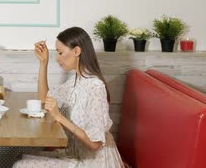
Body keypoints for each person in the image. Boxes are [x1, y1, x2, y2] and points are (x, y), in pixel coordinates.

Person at [13, 27, 125, 168]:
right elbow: (43, 98)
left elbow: (95, 144)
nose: (57, 58)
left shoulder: (95, 87)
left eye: (60, 53)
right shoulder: (76, 81)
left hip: (93, 161)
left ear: (77, 51)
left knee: (22, 165)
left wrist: (59, 117)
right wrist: (43, 63)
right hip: (75, 154)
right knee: (21, 159)